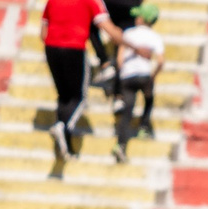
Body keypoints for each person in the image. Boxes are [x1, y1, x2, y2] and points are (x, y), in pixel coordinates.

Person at [42, 0, 101, 173]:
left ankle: (66, 146)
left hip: (51, 48)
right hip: (75, 48)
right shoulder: (89, 1)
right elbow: (104, 25)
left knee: (63, 96)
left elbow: (43, 31)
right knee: (80, 98)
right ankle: (64, 126)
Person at [100, 1, 162, 163]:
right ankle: (144, 126)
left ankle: (120, 145)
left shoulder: (128, 33)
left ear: (141, 19)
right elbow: (160, 61)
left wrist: (121, 77)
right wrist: (153, 75)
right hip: (143, 75)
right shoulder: (154, 36)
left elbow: (120, 59)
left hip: (127, 77)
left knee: (127, 113)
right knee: (149, 98)